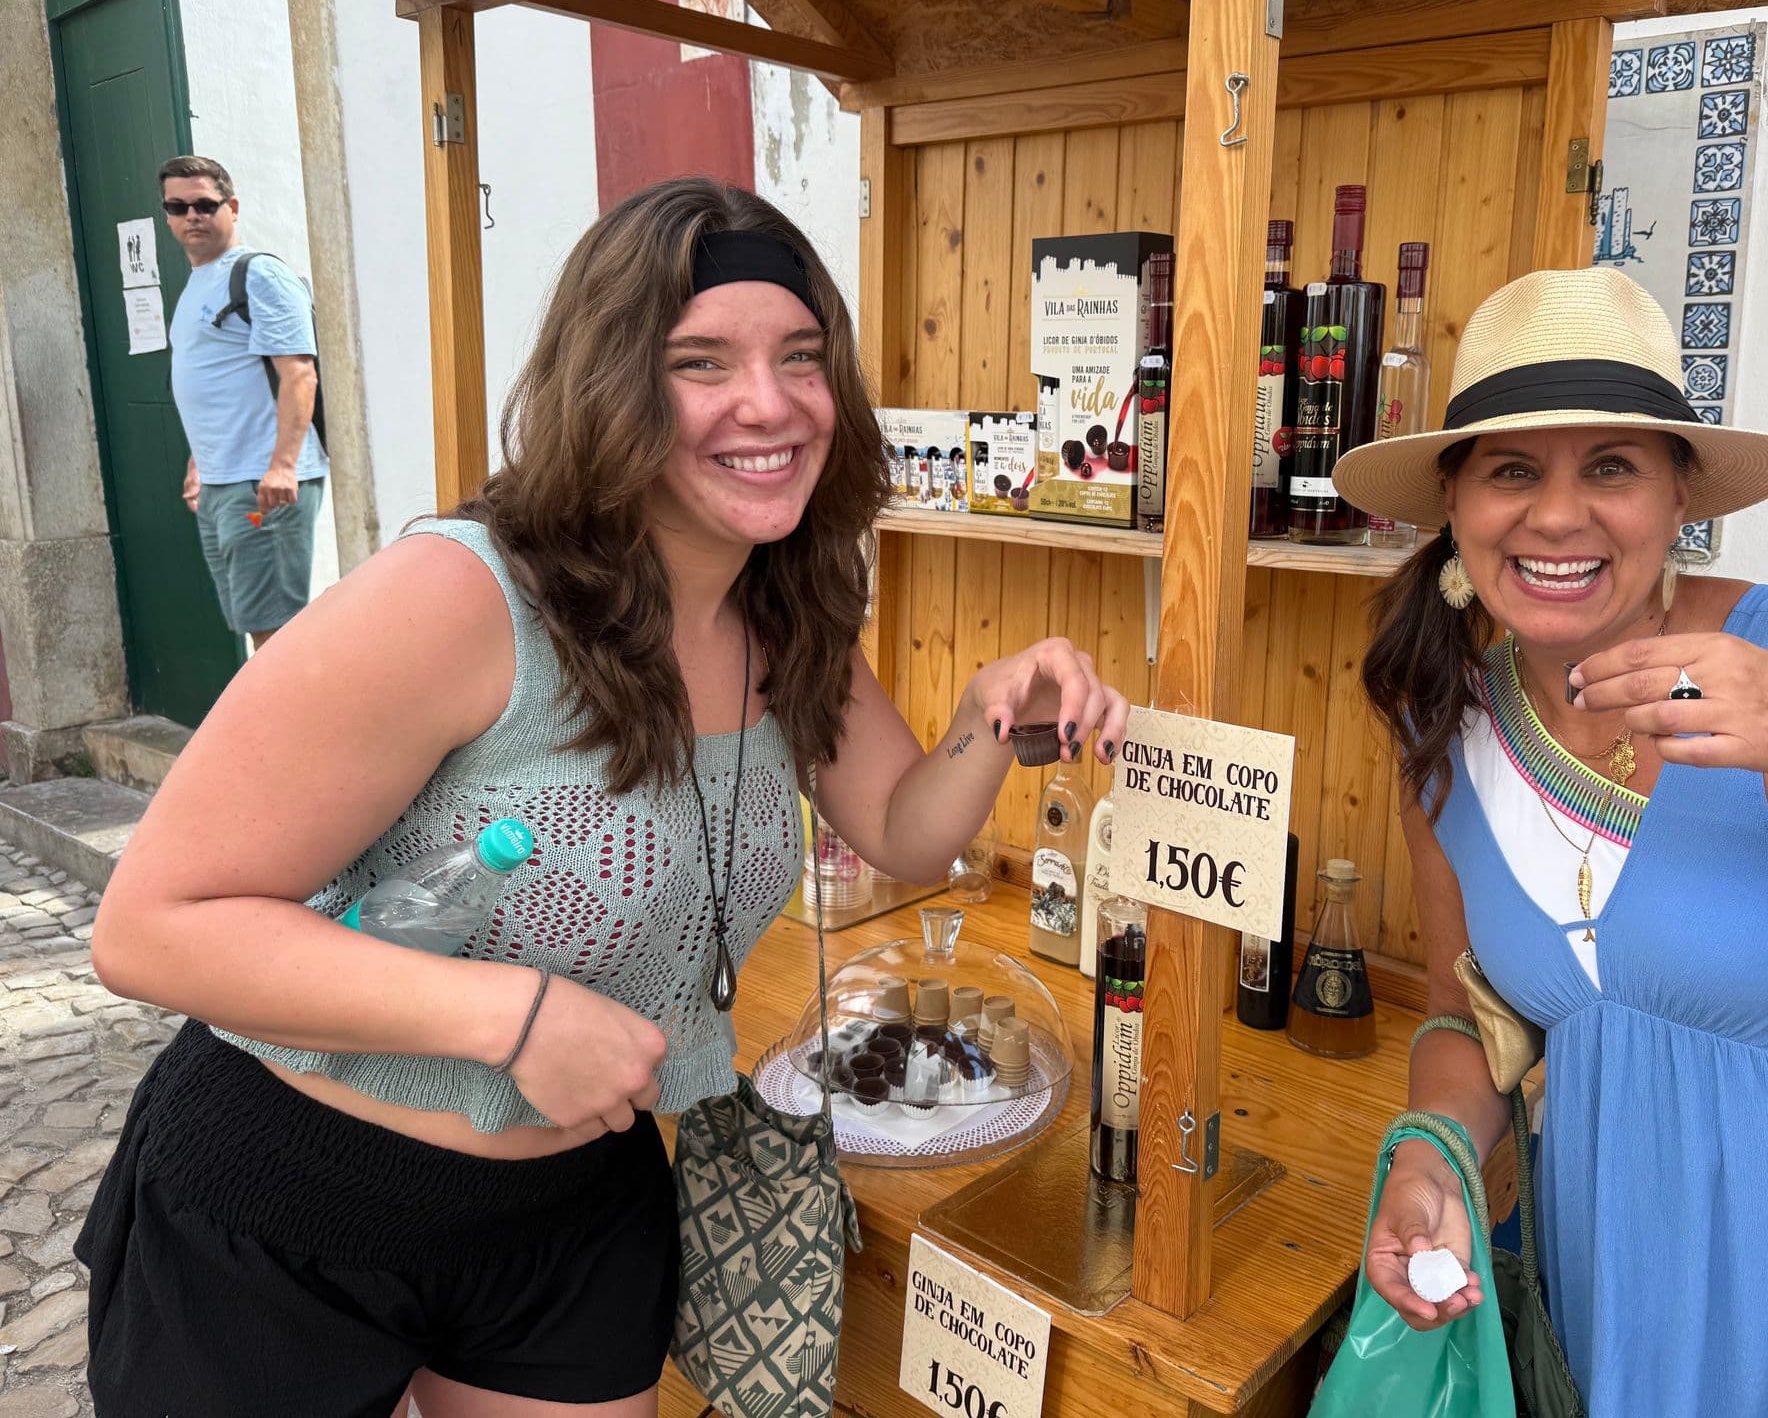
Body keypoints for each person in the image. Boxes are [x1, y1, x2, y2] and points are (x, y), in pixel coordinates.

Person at [78, 178, 1131, 1418]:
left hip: (571, 1217)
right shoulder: (460, 600)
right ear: (612, 387)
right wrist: (511, 1018)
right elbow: (150, 924)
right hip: (296, 1202)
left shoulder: (791, 614)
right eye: (702, 362)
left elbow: (900, 826)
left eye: (802, 357)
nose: (770, 402)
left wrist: (988, 718)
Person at [1337, 267, 1768, 1415]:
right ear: (1454, 506)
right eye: (1511, 470)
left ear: (1679, 500)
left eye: (1610, 468)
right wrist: (1431, 1150)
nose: (1557, 517)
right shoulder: (1441, 713)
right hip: (1637, 1328)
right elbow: (1464, 1018)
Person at [160, 154, 327, 649]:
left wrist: (282, 467)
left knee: (279, 633)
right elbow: (219, 385)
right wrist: (199, 463)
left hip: (262, 486)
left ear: (231, 207)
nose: (192, 216)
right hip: (220, 482)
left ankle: (305, 726)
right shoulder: (199, 283)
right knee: (258, 625)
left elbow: (299, 374)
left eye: (205, 205)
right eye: (178, 206)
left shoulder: (258, 275)